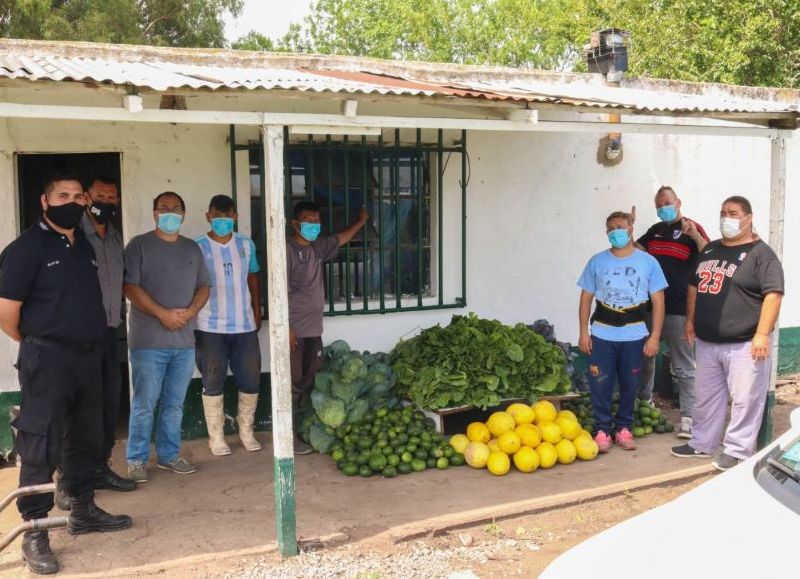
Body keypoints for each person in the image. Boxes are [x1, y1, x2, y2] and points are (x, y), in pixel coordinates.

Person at [0, 170, 131, 575]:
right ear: (44, 201)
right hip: (48, 360)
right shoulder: (25, 249)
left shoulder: (83, 247)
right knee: (41, 444)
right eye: (62, 195)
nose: (72, 202)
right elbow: (7, 314)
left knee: (87, 436)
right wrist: (43, 344)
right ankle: (35, 531)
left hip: (89, 359)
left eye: (77, 195)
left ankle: (81, 508)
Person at [671, 196, 784, 471]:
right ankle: (702, 443)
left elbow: (773, 294)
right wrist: (690, 322)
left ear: (748, 218)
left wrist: (762, 334)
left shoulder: (761, 254)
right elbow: (695, 286)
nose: (726, 218)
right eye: (723, 213)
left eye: (733, 213)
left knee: (746, 399)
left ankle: (737, 451)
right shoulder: (710, 250)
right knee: (706, 397)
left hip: (745, 343)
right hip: (708, 341)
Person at [55, 175, 136, 512]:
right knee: (75, 410)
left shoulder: (115, 238)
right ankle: (66, 480)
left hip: (107, 333)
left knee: (106, 405)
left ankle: (99, 467)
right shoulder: (72, 237)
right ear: (87, 198)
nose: (106, 201)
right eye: (99, 195)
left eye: (111, 196)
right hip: (74, 338)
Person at [124, 192, 210, 481]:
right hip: (148, 343)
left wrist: (189, 313)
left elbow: (204, 287)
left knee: (174, 404)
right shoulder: (139, 246)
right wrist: (162, 313)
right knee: (144, 403)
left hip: (184, 343)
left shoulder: (192, 249)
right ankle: (136, 460)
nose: (170, 213)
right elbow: (130, 287)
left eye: (176, 209)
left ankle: (169, 455)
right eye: (164, 208)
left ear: (184, 214)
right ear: (154, 213)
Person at [578, 211, 668, 453]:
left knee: (631, 385)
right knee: (600, 385)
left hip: (635, 335)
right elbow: (586, 298)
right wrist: (584, 333)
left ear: (630, 229)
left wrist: (655, 336)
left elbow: (658, 302)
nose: (614, 231)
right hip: (602, 334)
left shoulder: (648, 262)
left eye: (619, 226)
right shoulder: (596, 261)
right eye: (610, 228)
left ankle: (624, 429)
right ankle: (602, 430)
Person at [288, 200, 369, 454]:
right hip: (294, 331)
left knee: (310, 381)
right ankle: (286, 437)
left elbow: (340, 239)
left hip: (314, 330)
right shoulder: (286, 250)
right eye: (307, 221)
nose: (313, 225)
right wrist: (287, 328)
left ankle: (302, 430)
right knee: (292, 383)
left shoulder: (318, 248)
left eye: (316, 221)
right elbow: (278, 290)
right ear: (295, 223)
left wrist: (362, 221)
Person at [636, 186, 709, 438]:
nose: (662, 209)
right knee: (646, 357)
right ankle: (645, 402)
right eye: (658, 205)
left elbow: (709, 256)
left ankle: (689, 417)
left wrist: (696, 237)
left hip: (678, 308)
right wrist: (629, 230)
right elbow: (635, 251)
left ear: (678, 202)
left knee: (684, 365)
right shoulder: (655, 231)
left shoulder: (692, 228)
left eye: (666, 203)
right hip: (650, 307)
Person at [195, 194, 262, 455]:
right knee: (213, 378)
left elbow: (253, 276)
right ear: (208, 217)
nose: (223, 220)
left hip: (244, 324)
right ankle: (217, 437)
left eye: (228, 216)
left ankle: (246, 431)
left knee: (251, 377)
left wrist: (257, 309)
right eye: (218, 216)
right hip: (209, 324)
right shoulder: (197, 247)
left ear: (235, 217)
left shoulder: (246, 244)